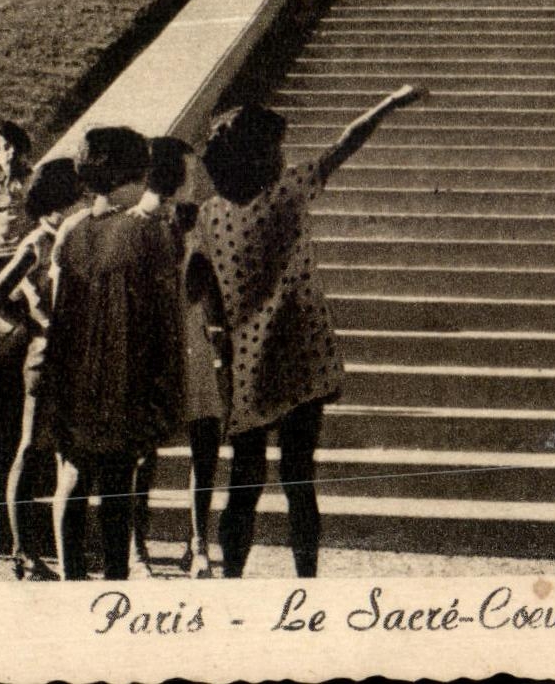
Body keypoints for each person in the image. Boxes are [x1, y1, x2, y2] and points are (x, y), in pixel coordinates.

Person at [195, 88, 425, 578]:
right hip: (300, 351)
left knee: (244, 480)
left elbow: (208, 288)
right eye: (274, 148)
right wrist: (390, 104)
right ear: (261, 154)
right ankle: (306, 578)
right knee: (299, 477)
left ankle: (231, 575)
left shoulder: (210, 214)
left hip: (247, 359)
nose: (282, 155)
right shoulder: (290, 189)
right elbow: (345, 143)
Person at [43, 126, 183, 581]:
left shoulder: (71, 229)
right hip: (128, 371)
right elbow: (165, 318)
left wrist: (56, 378)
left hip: (77, 370)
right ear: (138, 171)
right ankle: (115, 581)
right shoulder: (147, 231)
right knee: (119, 482)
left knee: (75, 473)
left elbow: (58, 313)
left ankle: (70, 577)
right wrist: (168, 385)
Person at [129, 138, 224, 580]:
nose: (196, 180)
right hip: (150, 343)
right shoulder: (134, 223)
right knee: (142, 450)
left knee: (204, 435)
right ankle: (137, 548)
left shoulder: (197, 220)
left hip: (191, 337)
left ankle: (198, 543)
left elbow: (203, 284)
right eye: (190, 172)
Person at [0, 157, 84, 580]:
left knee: (70, 454)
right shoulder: (36, 242)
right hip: (45, 357)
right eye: (71, 197)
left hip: (78, 356)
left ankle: (63, 555)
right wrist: (34, 324)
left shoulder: (76, 234)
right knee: (30, 449)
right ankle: (22, 552)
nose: (77, 202)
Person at [0, 120, 33, 258]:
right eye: (7, 147)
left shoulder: (35, 183)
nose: (13, 151)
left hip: (24, 254)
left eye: (18, 147)